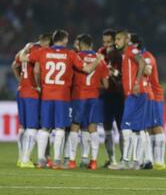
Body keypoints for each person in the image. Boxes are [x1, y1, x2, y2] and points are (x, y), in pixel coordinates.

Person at [19, 29, 103, 169]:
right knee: (60, 129)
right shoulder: (70, 54)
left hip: (46, 96)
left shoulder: (43, 52)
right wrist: (98, 60)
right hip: (63, 97)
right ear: (64, 40)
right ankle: (57, 161)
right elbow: (87, 69)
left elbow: (23, 59)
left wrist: (25, 49)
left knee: (45, 128)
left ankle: (41, 161)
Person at [64, 34, 109, 169]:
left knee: (75, 126)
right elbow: (106, 85)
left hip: (79, 96)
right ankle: (93, 161)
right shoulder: (100, 59)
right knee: (92, 128)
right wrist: (94, 86)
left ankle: (71, 160)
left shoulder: (76, 58)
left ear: (81, 44)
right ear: (91, 44)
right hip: (94, 97)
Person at [110, 30, 150, 170]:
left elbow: (142, 63)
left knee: (126, 127)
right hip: (136, 94)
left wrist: (137, 83)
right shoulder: (126, 54)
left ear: (127, 40)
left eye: (119, 39)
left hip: (135, 94)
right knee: (136, 129)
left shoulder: (130, 51)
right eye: (116, 40)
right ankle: (136, 162)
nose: (116, 42)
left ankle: (126, 161)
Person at [11, 33, 52, 168]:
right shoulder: (39, 51)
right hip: (32, 93)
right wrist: (38, 85)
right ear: (47, 44)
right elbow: (36, 70)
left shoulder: (25, 49)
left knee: (23, 127)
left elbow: (14, 65)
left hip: (21, 91)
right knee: (32, 127)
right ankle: (25, 159)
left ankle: (20, 158)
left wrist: (21, 80)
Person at [130, 33, 166, 170]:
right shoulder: (137, 56)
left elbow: (148, 71)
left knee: (156, 127)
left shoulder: (147, 57)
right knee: (148, 128)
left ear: (136, 45)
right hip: (146, 94)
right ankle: (149, 159)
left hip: (154, 94)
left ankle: (160, 161)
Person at [98, 29, 124, 167]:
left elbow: (124, 76)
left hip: (120, 95)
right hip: (105, 95)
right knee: (107, 127)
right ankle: (111, 159)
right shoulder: (101, 52)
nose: (106, 44)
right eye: (104, 42)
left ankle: (123, 159)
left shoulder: (121, 54)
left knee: (121, 128)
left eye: (109, 42)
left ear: (115, 41)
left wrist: (111, 71)